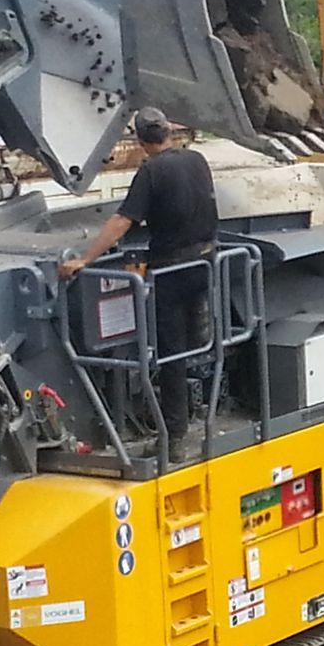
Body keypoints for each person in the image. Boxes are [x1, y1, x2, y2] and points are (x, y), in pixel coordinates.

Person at [60, 107, 219, 459]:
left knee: (171, 353)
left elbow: (122, 221)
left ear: (141, 140)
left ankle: (174, 437)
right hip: (205, 262)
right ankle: (204, 412)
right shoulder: (197, 159)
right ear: (168, 132)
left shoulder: (151, 171)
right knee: (198, 342)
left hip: (172, 271)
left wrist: (85, 259)